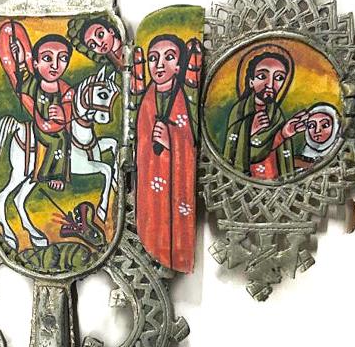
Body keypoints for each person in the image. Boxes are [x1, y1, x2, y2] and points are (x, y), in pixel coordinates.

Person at [133, 32, 202, 270]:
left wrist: (172, 140)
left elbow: (192, 143)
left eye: (169, 57)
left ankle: (175, 259)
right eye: (153, 58)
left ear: (180, 65)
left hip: (176, 186)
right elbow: (141, 144)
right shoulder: (146, 101)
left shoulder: (185, 99)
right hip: (151, 184)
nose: (160, 64)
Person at [0, 22, 76, 191]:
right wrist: (19, 58)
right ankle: (51, 175)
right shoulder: (34, 83)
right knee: (59, 139)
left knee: (63, 134)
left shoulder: (65, 89)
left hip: (58, 125)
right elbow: (21, 77)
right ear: (36, 63)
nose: (55, 65)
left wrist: (63, 114)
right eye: (47, 58)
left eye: (62, 58)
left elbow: (70, 108)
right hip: (42, 126)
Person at [221, 44, 308, 179]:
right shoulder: (239, 111)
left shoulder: (277, 115)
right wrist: (249, 129)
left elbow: (272, 149)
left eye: (279, 78)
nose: (270, 84)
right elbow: (240, 153)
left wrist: (285, 133)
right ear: (251, 81)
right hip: (247, 181)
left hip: (274, 179)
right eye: (262, 76)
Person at [295, 102, 340, 169]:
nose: (317, 130)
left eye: (325, 125)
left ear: (335, 126)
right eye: (312, 126)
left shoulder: (341, 155)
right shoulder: (301, 159)